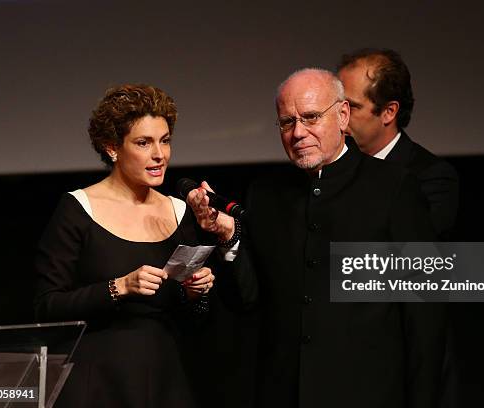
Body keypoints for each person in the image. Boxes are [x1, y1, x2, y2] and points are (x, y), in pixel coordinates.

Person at [187, 69, 447, 408]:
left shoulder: (393, 187)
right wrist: (229, 238)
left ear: (342, 116)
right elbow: (248, 301)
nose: (298, 133)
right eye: (286, 122)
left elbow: (424, 316)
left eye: (310, 118)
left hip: (370, 393)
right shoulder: (264, 195)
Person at [34, 84, 219, 408]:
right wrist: (118, 287)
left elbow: (194, 320)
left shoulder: (179, 211)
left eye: (165, 141)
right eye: (143, 143)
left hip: (166, 381)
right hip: (96, 383)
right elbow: (46, 306)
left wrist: (195, 293)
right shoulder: (78, 209)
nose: (159, 154)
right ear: (112, 147)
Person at [337, 48, 459, 239]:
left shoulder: (430, 177)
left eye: (351, 106)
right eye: (336, 106)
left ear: (389, 112)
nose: (339, 118)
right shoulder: (327, 168)